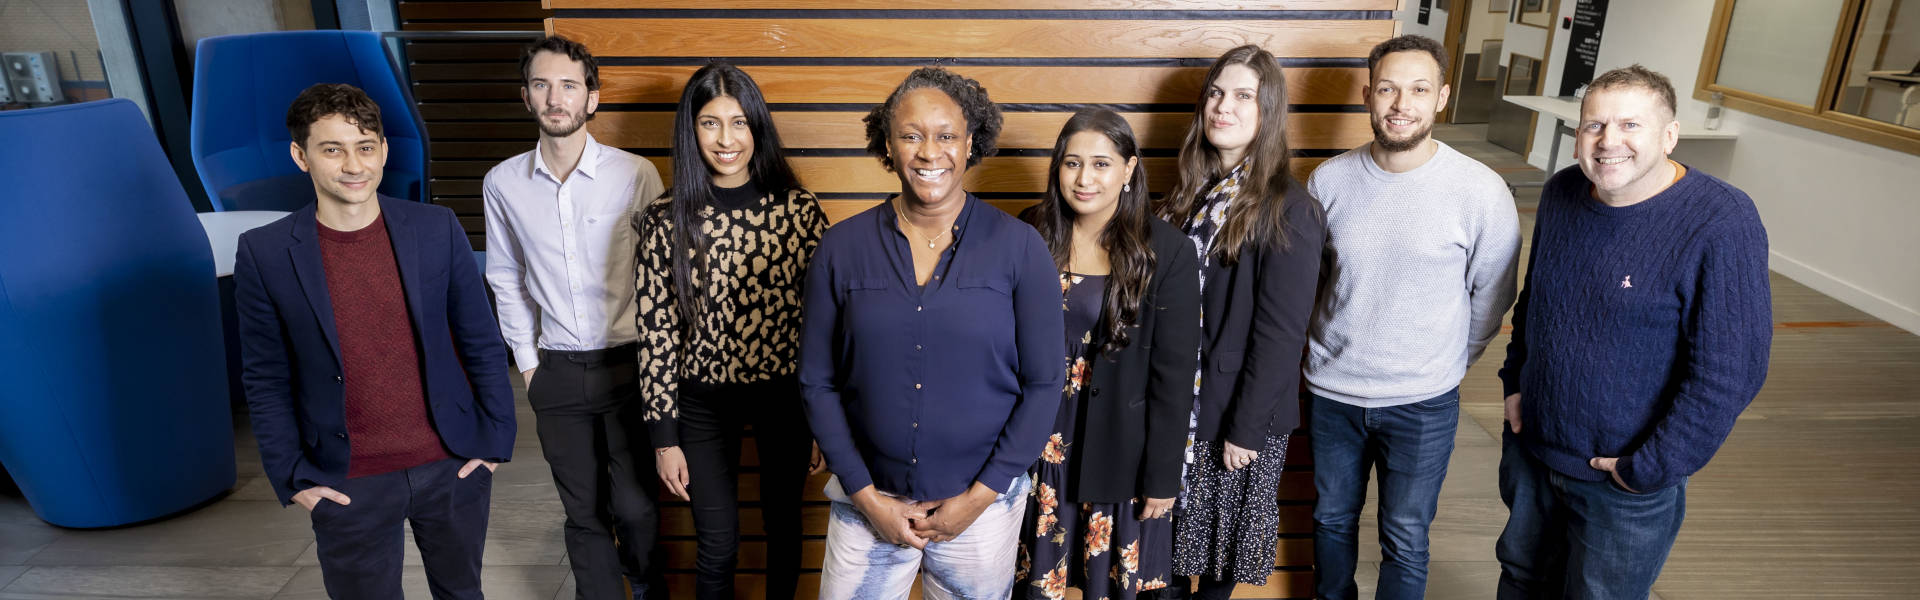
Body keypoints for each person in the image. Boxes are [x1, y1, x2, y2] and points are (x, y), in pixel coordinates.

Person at [1495, 65, 1771, 599]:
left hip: (1623, 481)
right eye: (1593, 125)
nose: (1608, 142)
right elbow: (1538, 302)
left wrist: (1649, 468)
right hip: (1536, 452)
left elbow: (1733, 371)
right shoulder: (1562, 193)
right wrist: (1514, 382)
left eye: (1630, 125)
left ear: (1669, 136)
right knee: (1521, 580)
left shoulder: (1721, 220)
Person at [233, 82, 515, 599]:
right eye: (332, 149)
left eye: (365, 147)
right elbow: (265, 375)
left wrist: (493, 441)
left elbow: (480, 340)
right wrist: (294, 476)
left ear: (384, 150)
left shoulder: (436, 227)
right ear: (301, 156)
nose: (354, 165)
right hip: (344, 481)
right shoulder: (264, 253)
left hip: (449, 463)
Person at [799, 66, 1065, 600]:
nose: (929, 152)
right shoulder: (841, 248)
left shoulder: (1020, 248)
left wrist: (976, 499)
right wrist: (867, 497)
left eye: (946, 136)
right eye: (911, 135)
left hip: (982, 510)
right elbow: (816, 381)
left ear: (970, 144)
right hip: (867, 502)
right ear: (888, 146)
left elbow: (1043, 385)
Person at [1303, 34, 1521, 600]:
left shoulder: (1480, 190)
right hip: (1333, 393)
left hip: (1423, 399)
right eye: (1388, 89)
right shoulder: (1328, 181)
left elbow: (1492, 299)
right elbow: (1312, 284)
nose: (1402, 103)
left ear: (1442, 97)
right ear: (1368, 96)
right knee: (1330, 521)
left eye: (1419, 89)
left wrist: (1444, 360)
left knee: (1404, 535)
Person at [481, 35, 666, 600]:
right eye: (542, 85)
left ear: (592, 98)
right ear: (526, 96)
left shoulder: (635, 175)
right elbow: (505, 277)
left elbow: (662, 277)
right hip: (556, 369)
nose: (554, 97)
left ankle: (646, 584)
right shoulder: (503, 183)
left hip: (631, 364)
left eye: (569, 85)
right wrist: (530, 364)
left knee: (635, 506)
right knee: (581, 510)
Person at [636, 62, 829, 600]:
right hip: (700, 401)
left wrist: (822, 418)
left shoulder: (799, 211)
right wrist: (663, 437)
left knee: (785, 530)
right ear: (690, 130)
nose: (727, 139)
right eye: (710, 123)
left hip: (785, 396)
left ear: (758, 128)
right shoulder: (665, 218)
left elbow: (823, 324)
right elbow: (657, 331)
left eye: (740, 122)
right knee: (717, 545)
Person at [1154, 44, 1326, 600]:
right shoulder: (1187, 196)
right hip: (1180, 406)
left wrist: (1246, 430)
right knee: (1167, 568)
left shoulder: (1289, 208)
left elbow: (1281, 333)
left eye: (1243, 96)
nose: (1223, 106)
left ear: (1267, 110)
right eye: (1216, 92)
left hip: (1235, 417)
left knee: (1212, 578)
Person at [1014, 108, 1201, 600]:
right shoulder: (1028, 232)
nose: (1084, 178)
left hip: (1120, 450)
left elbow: (1175, 377)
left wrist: (1163, 478)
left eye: (1101, 163)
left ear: (1129, 169)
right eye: (1072, 163)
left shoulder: (1169, 251)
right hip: (1038, 444)